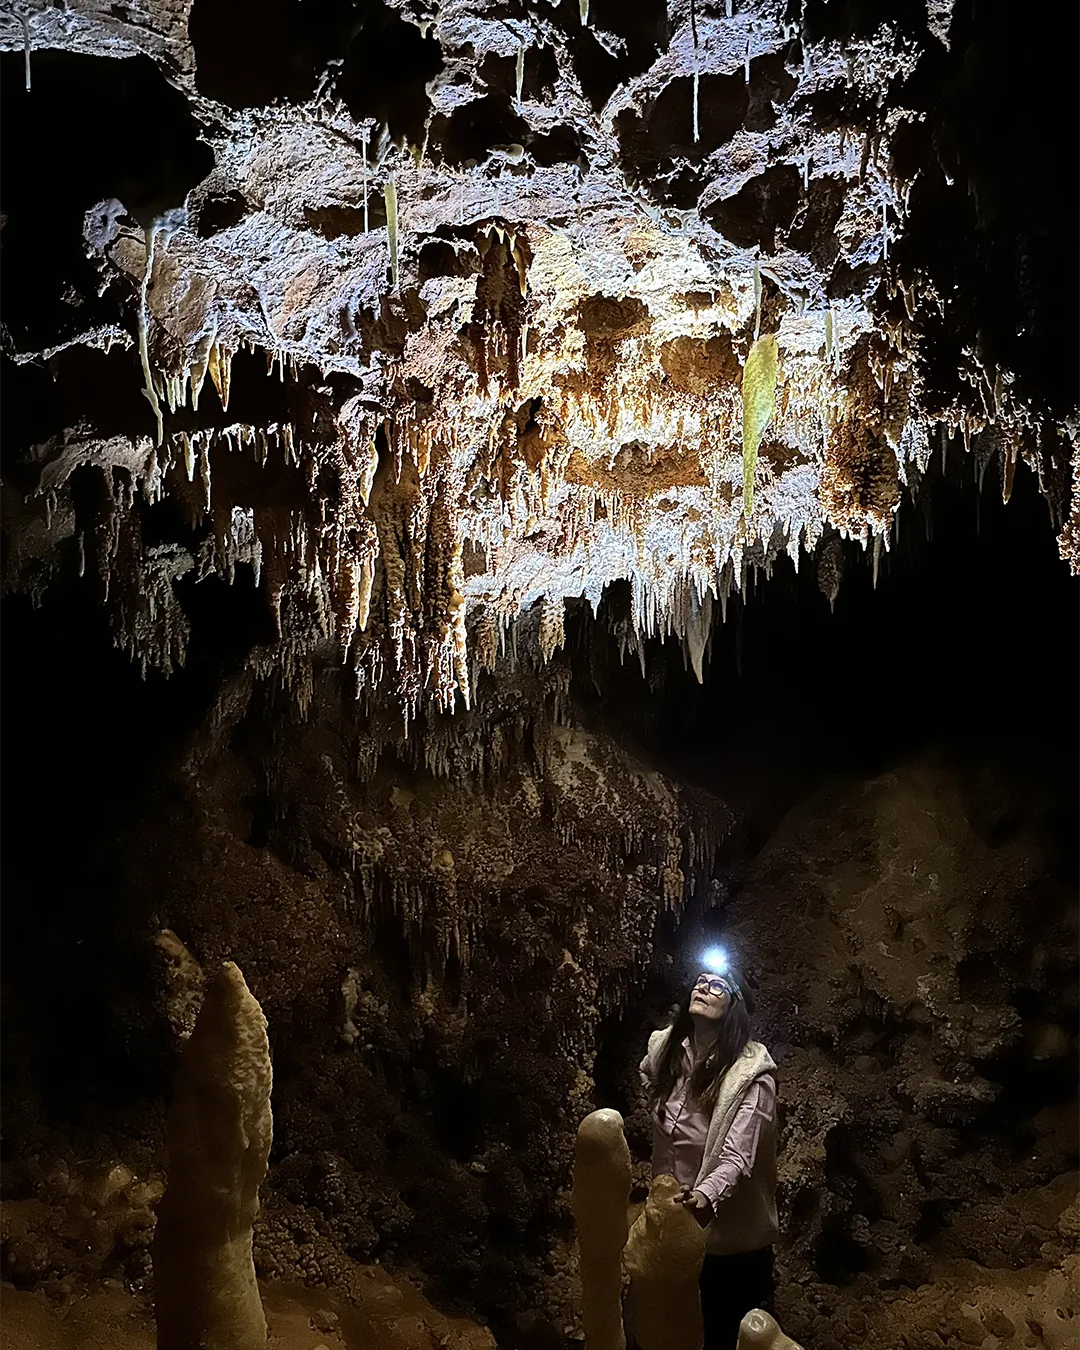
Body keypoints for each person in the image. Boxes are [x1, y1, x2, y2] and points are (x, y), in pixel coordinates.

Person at [639, 958, 778, 1350]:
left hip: (729, 1246)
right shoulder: (667, 1050)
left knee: (721, 1337)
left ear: (734, 1006)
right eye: (700, 981)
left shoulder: (752, 1076)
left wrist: (705, 1194)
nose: (703, 987)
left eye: (717, 986)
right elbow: (647, 1073)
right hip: (672, 1228)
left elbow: (738, 1157)